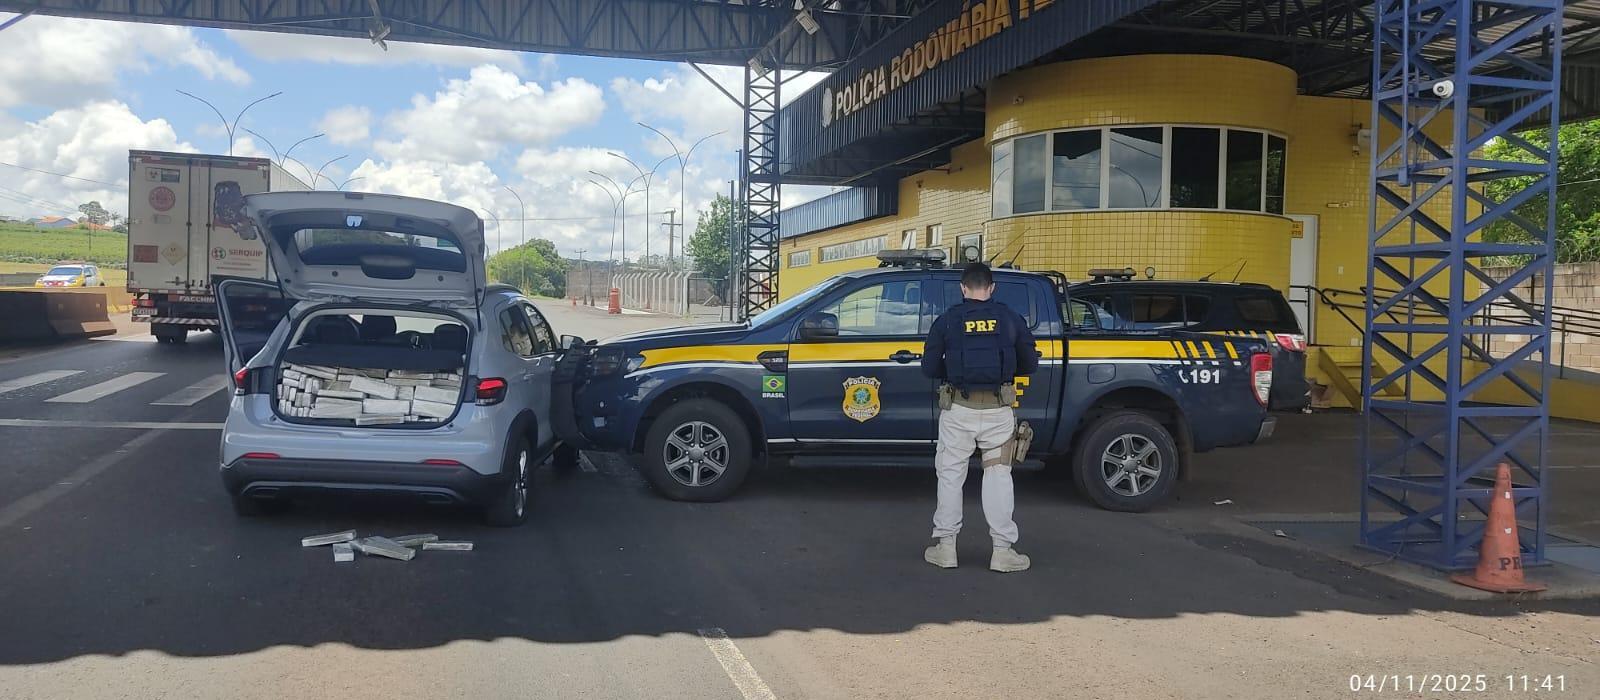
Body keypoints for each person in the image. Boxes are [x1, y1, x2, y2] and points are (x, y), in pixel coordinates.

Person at [920, 262, 1038, 573]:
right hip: (999, 411)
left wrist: (957, 373)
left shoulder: (947, 321)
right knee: (998, 477)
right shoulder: (1011, 319)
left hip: (958, 409)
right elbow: (1029, 364)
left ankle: (946, 548)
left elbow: (930, 368)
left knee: (950, 475)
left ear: (963, 288)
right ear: (992, 288)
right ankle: (1002, 551)